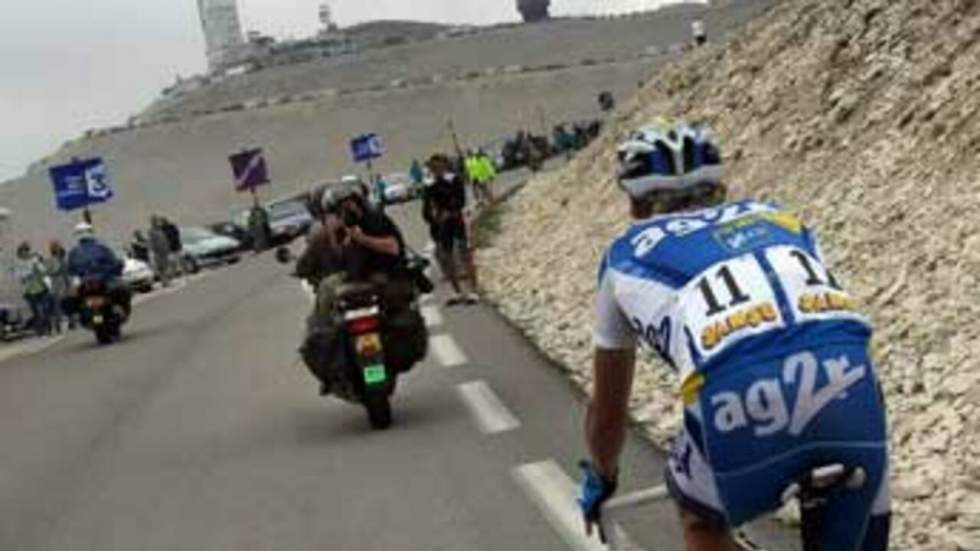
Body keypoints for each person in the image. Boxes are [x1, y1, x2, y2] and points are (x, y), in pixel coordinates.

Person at [579, 120, 890, 551]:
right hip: (850, 376)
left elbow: (608, 413)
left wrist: (602, 475)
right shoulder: (781, 219)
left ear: (634, 203)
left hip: (736, 389)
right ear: (719, 186)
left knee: (701, 520)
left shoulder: (623, 256)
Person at [295, 182, 419, 395]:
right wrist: (337, 235)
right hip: (354, 282)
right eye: (340, 208)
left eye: (349, 204)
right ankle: (332, 369)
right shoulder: (330, 231)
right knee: (324, 320)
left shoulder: (375, 220)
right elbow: (337, 259)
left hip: (382, 278)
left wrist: (361, 238)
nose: (347, 210)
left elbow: (393, 247)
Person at [422, 154, 478, 305]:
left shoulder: (454, 180)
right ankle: (456, 292)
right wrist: (433, 217)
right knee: (447, 258)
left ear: (444, 165)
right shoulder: (429, 185)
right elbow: (426, 208)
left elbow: (461, 201)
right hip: (440, 225)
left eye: (437, 167)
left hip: (456, 221)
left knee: (464, 254)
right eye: (432, 168)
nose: (435, 170)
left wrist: (449, 212)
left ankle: (472, 290)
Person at [67, 223, 131, 316]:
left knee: (120, 290)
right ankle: (119, 309)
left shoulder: (74, 252)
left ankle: (81, 314)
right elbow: (113, 262)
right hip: (101, 281)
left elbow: (71, 270)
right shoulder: (101, 248)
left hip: (89, 283)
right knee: (122, 290)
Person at [13, 242, 53, 336]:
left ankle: (47, 327)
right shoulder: (19, 264)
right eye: (22, 252)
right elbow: (20, 278)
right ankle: (40, 330)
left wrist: (38, 265)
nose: (25, 253)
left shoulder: (34, 260)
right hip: (30, 291)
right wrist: (25, 274)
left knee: (44, 309)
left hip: (41, 288)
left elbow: (44, 271)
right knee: (37, 311)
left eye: (26, 251)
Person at [45, 240, 75, 333]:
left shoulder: (64, 259)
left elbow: (69, 270)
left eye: (58, 247)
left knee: (69, 303)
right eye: (55, 248)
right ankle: (58, 326)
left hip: (67, 284)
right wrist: (57, 270)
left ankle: (71, 322)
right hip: (57, 285)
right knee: (58, 306)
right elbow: (48, 272)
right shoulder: (49, 260)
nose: (57, 249)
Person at [149, 216, 173, 287]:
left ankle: (166, 280)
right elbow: (152, 242)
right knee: (161, 268)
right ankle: (164, 282)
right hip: (158, 252)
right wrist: (154, 250)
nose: (156, 222)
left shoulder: (160, 229)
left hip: (164, 250)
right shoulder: (152, 231)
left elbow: (164, 239)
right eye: (155, 221)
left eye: (156, 221)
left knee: (166, 266)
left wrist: (167, 247)